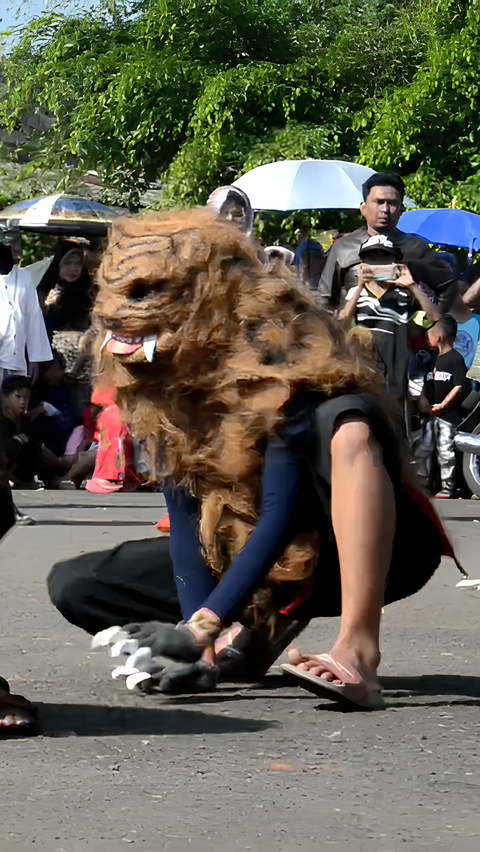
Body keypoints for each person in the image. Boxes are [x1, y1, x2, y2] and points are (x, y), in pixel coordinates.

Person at [47, 207, 460, 708]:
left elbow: (278, 513)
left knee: (347, 419)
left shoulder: (281, 358)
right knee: (76, 584)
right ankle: (247, 641)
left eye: (145, 294)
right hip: (248, 557)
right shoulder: (153, 379)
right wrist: (197, 636)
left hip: (355, 548)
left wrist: (203, 624)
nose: (117, 315)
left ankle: (357, 649)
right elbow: (184, 522)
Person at [318, 173, 457, 314]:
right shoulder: (343, 248)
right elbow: (324, 300)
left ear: (401, 210)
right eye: (379, 202)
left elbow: (448, 287)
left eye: (391, 203)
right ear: (363, 208)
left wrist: (436, 322)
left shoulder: (415, 247)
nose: (385, 210)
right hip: (356, 333)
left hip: (402, 332)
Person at [419, 315, 470, 498]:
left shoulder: (455, 359)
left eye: (429, 333)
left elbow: (459, 387)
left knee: (446, 449)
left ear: (438, 336)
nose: (426, 336)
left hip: (448, 417)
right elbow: (424, 384)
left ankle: (449, 486)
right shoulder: (430, 359)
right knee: (426, 449)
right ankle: (427, 484)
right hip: (430, 415)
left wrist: (443, 406)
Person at [0, 228, 52, 384]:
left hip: (16, 360)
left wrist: (35, 358)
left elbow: (33, 317)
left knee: (14, 403)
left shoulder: (24, 277)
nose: (16, 247)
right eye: (10, 243)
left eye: (17, 242)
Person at [38, 241, 94, 337]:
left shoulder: (88, 294)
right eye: (68, 263)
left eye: (78, 264)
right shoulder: (45, 290)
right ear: (58, 265)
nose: (73, 268)